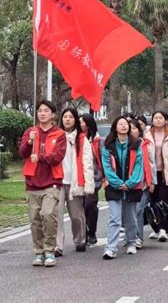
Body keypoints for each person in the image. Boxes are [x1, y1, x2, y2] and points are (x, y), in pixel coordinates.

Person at [19, 100, 66, 267]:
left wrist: (41, 157)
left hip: (51, 182)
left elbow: (58, 157)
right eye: (39, 111)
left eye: (46, 110)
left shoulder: (59, 134)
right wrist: (29, 142)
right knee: (35, 220)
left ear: (52, 114)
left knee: (48, 215)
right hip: (32, 182)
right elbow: (22, 152)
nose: (42, 113)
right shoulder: (31, 132)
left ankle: (49, 250)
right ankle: (38, 252)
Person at [101, 117, 143, 259]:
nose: (124, 126)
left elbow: (139, 166)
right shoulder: (108, 146)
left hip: (132, 187)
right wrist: (118, 183)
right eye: (120, 124)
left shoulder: (136, 144)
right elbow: (106, 168)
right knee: (115, 218)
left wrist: (130, 183)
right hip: (114, 187)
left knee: (130, 217)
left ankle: (131, 242)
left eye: (126, 124)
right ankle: (111, 248)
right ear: (115, 127)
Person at [56, 108, 94, 256]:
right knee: (56, 215)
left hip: (75, 181)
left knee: (76, 215)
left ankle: (80, 239)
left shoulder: (81, 139)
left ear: (75, 120)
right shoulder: (56, 136)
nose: (67, 119)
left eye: (70, 117)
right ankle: (57, 246)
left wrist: (87, 182)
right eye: (64, 116)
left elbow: (87, 162)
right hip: (58, 181)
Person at [144, 111, 168, 242]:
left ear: (165, 120)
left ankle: (162, 229)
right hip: (151, 173)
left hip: (166, 172)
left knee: (163, 200)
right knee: (153, 201)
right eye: (156, 118)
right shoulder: (147, 135)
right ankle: (156, 228)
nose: (158, 120)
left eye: (161, 118)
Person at [129, 119, 157, 249]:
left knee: (139, 210)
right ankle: (130, 236)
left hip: (143, 183)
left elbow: (152, 164)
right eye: (130, 128)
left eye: (134, 128)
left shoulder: (145, 144)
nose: (132, 130)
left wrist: (152, 181)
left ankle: (138, 238)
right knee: (129, 211)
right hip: (127, 183)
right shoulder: (122, 145)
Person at [79, 114, 104, 245]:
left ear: (88, 125)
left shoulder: (97, 140)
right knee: (80, 207)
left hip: (93, 178)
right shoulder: (76, 138)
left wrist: (103, 177)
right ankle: (83, 233)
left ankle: (92, 231)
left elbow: (102, 159)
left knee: (90, 205)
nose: (79, 124)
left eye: (81, 122)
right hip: (77, 178)